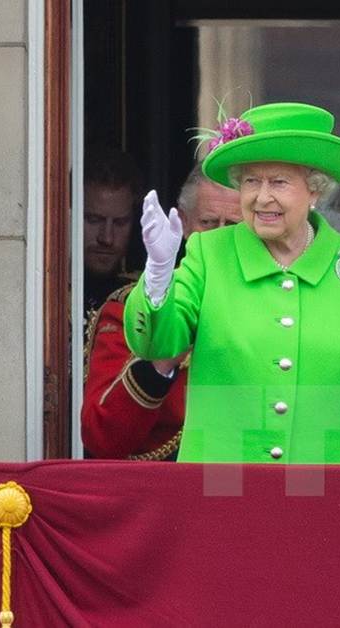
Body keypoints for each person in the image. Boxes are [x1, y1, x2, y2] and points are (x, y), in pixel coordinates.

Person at [123, 102, 340, 464]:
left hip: (326, 500)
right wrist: (159, 275)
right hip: (221, 496)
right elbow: (158, 343)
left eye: (279, 182)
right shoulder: (210, 253)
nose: (262, 197)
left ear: (315, 190)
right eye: (251, 181)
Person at [81, 164, 242, 460]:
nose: (219, 239)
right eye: (208, 223)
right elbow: (102, 439)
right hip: (164, 491)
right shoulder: (132, 307)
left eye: (233, 226)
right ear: (183, 224)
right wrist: (161, 361)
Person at [83, 147, 143, 327]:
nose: (106, 238)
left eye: (120, 223)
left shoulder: (143, 295)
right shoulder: (46, 293)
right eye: (94, 220)